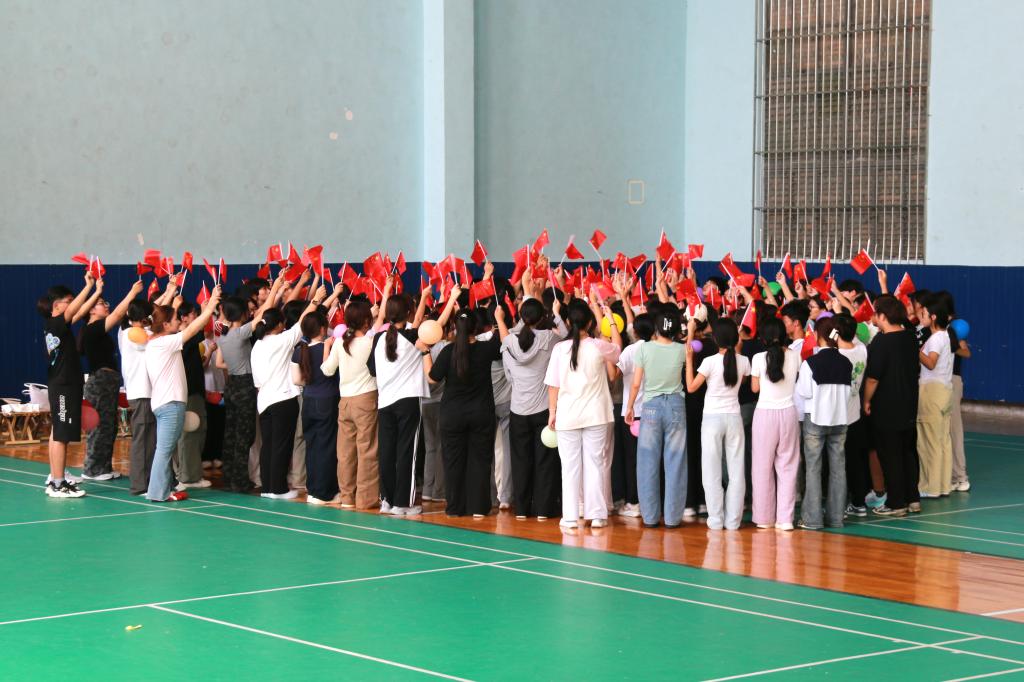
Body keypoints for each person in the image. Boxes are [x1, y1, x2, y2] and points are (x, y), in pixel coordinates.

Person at [544, 300, 622, 530]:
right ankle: (597, 515)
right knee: (595, 464)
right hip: (596, 414)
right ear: (590, 322)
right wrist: (610, 321)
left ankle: (570, 516)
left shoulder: (560, 349)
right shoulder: (599, 346)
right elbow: (618, 350)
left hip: (567, 415)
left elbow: (553, 385)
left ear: (568, 322)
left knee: (569, 468)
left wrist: (552, 412)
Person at [144, 287, 221, 502]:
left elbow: (158, 317)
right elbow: (193, 328)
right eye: (175, 319)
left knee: (165, 450)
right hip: (171, 404)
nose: (179, 321)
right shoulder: (166, 343)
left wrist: (172, 299)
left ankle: (166, 488)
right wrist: (210, 307)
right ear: (166, 325)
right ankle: (157, 493)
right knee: (164, 450)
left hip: (163, 403)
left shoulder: (153, 340)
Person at [425, 302, 502, 518]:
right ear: (476, 328)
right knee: (480, 460)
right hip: (481, 413)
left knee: (453, 461)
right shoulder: (486, 349)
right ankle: (478, 508)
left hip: (452, 414)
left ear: (455, 327)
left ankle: (455, 508)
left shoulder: (448, 351)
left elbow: (432, 378)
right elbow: (502, 342)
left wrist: (424, 352)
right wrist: (499, 318)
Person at [251, 287, 325, 500]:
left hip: (264, 401)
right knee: (281, 446)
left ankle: (268, 488)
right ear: (278, 325)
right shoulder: (281, 341)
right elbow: (302, 323)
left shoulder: (257, 346)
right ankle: (279, 489)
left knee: (268, 445)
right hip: (283, 399)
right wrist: (316, 300)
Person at [496, 297, 566, 520]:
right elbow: (567, 337)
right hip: (544, 410)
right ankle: (544, 510)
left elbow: (508, 375)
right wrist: (557, 313)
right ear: (543, 317)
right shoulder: (550, 338)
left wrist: (500, 319)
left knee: (520, 461)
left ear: (520, 317)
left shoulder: (508, 342)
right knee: (545, 461)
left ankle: (522, 510)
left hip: (518, 410)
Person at [368, 284, 430, 515]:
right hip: (407, 401)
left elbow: (372, 370)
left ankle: (387, 499)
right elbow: (422, 323)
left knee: (387, 452)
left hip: (385, 402)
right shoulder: (412, 336)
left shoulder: (378, 338)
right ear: (408, 313)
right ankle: (403, 504)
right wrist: (424, 296)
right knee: (407, 452)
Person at [686, 318, 750, 531]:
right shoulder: (743, 361)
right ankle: (733, 522)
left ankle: (715, 520)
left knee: (711, 471)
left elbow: (691, 387)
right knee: (736, 472)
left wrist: (689, 359)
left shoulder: (709, 362)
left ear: (715, 339)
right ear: (736, 338)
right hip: (734, 418)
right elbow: (743, 377)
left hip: (712, 419)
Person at [625, 309, 687, 529]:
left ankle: (650, 517)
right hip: (676, 406)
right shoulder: (682, 349)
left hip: (650, 407)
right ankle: (672, 518)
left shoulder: (644, 348)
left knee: (647, 463)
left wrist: (630, 406)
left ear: (657, 329)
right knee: (676, 462)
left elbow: (636, 383)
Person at [37, 273, 95, 497]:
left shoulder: (57, 326)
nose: (72, 305)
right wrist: (88, 286)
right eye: (68, 301)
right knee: (61, 436)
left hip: (62, 385)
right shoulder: (55, 323)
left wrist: (96, 291)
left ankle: (55, 478)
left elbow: (78, 312)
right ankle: (58, 484)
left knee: (57, 433)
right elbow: (74, 310)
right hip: (63, 386)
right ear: (57, 305)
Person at [78, 279, 143, 480]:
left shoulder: (99, 330)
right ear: (90, 310)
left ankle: (104, 467)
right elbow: (117, 315)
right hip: (100, 383)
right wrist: (132, 293)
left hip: (108, 382)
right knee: (99, 426)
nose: (106, 306)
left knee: (109, 426)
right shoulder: (91, 328)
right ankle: (92, 469)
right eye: (101, 303)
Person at [863, 295, 921, 517]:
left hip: (887, 405)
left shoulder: (882, 342)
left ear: (882, 316)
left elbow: (873, 378)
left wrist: (866, 400)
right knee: (908, 452)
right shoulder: (909, 337)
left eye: (876, 313)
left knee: (890, 455)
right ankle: (912, 498)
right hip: (909, 403)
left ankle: (896, 503)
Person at [321, 298, 381, 510]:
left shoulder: (340, 342)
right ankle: (366, 499)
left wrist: (327, 347)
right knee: (367, 450)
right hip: (366, 399)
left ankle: (347, 497)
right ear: (366, 321)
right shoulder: (371, 342)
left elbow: (327, 370)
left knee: (345, 453)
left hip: (344, 401)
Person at [795, 317, 852, 529]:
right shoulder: (846, 363)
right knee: (838, 468)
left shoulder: (810, 363)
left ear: (819, 336)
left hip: (815, 418)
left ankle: (813, 519)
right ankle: (836, 517)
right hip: (840, 419)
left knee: (813, 469)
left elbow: (804, 392)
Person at [749, 317, 801, 530]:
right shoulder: (795, 355)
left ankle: (764, 518)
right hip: (788, 413)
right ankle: (785, 519)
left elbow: (754, 389)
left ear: (763, 337)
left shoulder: (758, 358)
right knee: (788, 466)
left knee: (762, 467)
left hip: (764, 415)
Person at [292, 310, 341, 504]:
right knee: (327, 447)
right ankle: (325, 493)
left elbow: (297, 380)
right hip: (328, 401)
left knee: (312, 446)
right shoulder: (330, 348)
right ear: (322, 329)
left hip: (308, 401)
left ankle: (313, 490)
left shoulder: (299, 350)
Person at [614, 313, 655, 519]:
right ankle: (651, 502)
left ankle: (634, 502)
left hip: (632, 413)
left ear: (635, 332)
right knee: (652, 458)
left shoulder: (630, 350)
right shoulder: (658, 349)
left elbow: (614, 375)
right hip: (654, 412)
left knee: (632, 460)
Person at [917, 295, 955, 498]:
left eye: (923, 314)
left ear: (932, 317)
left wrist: (914, 349)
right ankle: (942, 485)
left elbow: (930, 363)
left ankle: (929, 487)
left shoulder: (936, 338)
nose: (920, 317)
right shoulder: (945, 336)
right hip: (944, 391)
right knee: (942, 441)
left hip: (932, 392)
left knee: (928, 441)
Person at [833, 314, 870, 516]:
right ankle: (858, 503)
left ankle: (837, 506)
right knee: (856, 462)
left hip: (837, 418)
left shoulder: (836, 357)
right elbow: (853, 337)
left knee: (837, 464)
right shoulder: (862, 350)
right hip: (855, 415)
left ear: (835, 333)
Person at [120, 299, 157, 494]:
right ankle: (139, 484)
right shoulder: (132, 333)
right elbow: (152, 338)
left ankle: (148, 480)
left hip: (148, 393)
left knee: (150, 440)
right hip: (141, 392)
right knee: (142, 440)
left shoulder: (140, 332)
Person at [174, 302, 212, 489]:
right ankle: (189, 477)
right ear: (183, 318)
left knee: (189, 432)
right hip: (189, 392)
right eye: (193, 314)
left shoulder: (178, 338)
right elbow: (201, 328)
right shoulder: (183, 337)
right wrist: (207, 309)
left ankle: (184, 473)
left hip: (190, 391)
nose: (196, 318)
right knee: (191, 432)